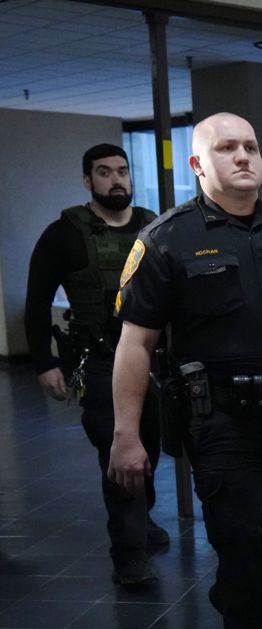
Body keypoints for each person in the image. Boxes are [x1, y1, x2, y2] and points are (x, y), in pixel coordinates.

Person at [109, 113, 262, 629]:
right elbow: (134, 345)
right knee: (243, 539)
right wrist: (127, 436)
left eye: (250, 146)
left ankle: (237, 592)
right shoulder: (166, 239)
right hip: (220, 417)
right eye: (225, 148)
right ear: (199, 165)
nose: (242, 157)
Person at [23, 144, 166, 586]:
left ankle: (141, 519)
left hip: (156, 360)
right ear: (88, 181)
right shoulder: (64, 234)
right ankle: (129, 555)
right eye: (104, 173)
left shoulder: (154, 226)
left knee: (152, 446)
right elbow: (36, 302)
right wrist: (45, 363)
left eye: (122, 171)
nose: (115, 180)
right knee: (119, 450)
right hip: (101, 358)